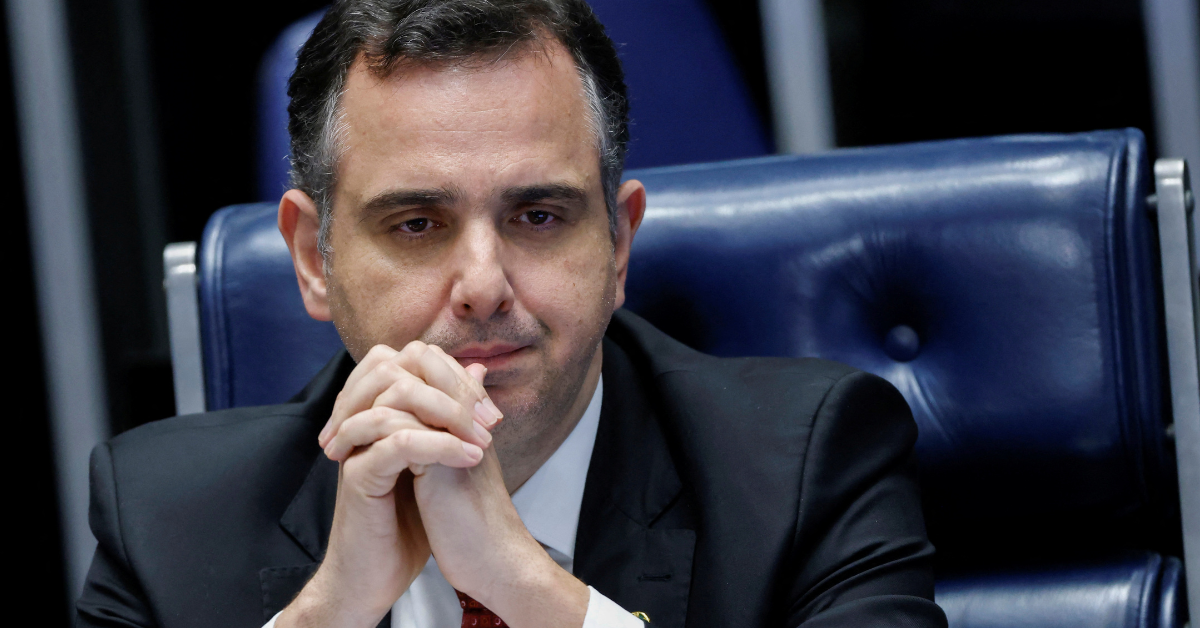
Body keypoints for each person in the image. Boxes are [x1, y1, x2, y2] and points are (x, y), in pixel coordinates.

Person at [76, 1, 946, 627]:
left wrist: (530, 590)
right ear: (315, 260)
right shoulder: (166, 521)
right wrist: (329, 614)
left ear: (618, 245)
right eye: (417, 224)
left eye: (538, 216)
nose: (483, 284)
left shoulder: (808, 468)